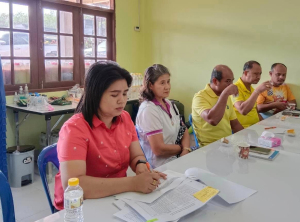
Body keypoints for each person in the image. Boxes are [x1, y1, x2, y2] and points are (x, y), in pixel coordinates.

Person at [54, 61, 166, 210]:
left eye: (125, 93)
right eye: (114, 95)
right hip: (81, 206)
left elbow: (136, 155)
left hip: (116, 196)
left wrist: (140, 165)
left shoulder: (124, 118)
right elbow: (74, 185)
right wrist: (133, 183)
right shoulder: (74, 129)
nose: (122, 100)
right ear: (96, 94)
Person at [136, 64, 191, 168]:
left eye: (168, 81)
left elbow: (184, 130)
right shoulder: (148, 109)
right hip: (161, 167)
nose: (167, 87)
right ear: (151, 85)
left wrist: (186, 150)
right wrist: (181, 148)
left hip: (177, 158)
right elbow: (158, 149)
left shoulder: (170, 104)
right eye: (162, 83)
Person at [192, 65, 244, 147]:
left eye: (232, 81)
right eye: (227, 81)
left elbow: (235, 125)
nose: (231, 85)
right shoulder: (199, 97)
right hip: (208, 148)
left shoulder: (226, 97)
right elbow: (213, 120)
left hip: (227, 144)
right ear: (215, 81)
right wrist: (225, 93)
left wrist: (248, 142)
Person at [232, 61, 271, 128]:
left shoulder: (252, 89)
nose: (259, 77)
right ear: (246, 73)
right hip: (241, 131)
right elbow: (243, 110)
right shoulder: (234, 88)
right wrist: (257, 91)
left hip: (255, 128)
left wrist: (266, 127)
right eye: (256, 74)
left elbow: (255, 112)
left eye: (260, 74)